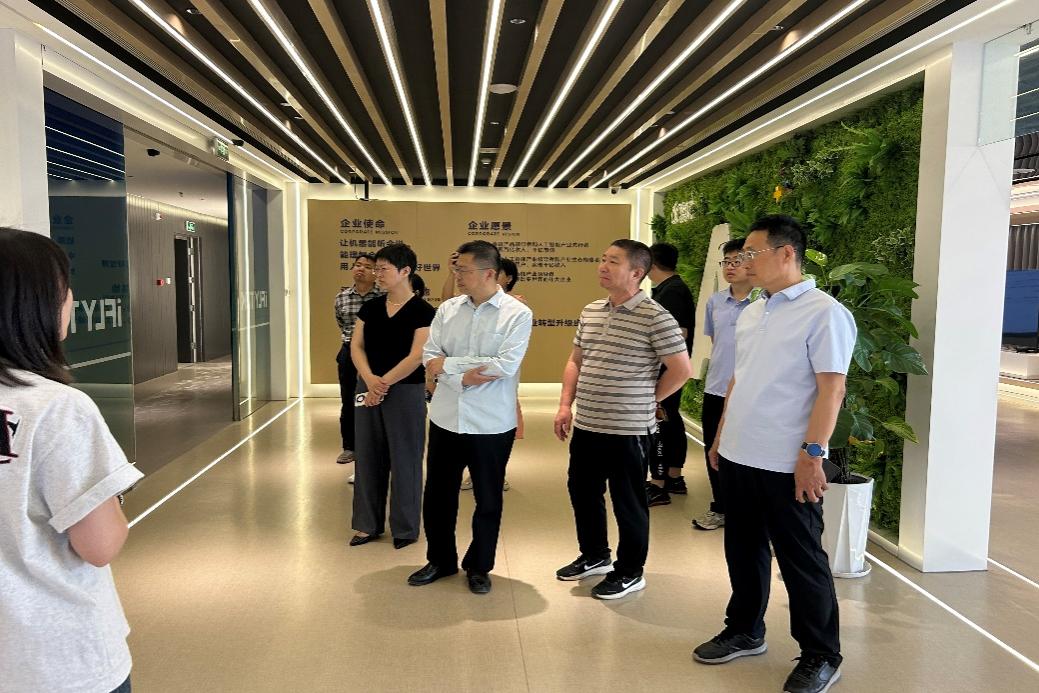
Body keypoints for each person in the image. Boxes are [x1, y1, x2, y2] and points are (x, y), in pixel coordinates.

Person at [694, 215, 855, 693]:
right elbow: (739, 379)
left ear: (787, 253)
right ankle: (745, 629)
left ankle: (821, 654)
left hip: (787, 461)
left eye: (752, 253)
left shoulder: (824, 313)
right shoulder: (753, 311)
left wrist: (812, 455)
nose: (744, 262)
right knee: (743, 549)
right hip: (740, 453)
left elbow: (833, 389)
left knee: (801, 559)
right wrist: (721, 436)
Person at [0, 227, 143, 693]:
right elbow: (99, 545)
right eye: (64, 289)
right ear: (32, 306)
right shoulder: (56, 407)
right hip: (57, 659)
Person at [554, 239, 691, 599]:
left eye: (613, 261)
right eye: (603, 259)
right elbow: (575, 360)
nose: (602, 266)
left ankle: (630, 571)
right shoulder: (591, 311)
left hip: (628, 430)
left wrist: (647, 399)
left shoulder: (656, 316)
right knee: (583, 492)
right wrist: (566, 405)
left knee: (628, 502)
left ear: (636, 272)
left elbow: (682, 369)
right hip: (588, 424)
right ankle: (595, 555)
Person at [409, 241, 533, 595]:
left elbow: (505, 365)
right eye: (456, 269)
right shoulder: (448, 309)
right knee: (438, 495)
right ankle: (440, 560)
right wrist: (460, 374)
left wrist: (449, 367)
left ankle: (479, 566)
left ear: (489, 273)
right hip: (446, 417)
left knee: (488, 499)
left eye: (463, 270)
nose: (457, 276)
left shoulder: (517, 314)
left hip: (492, 423)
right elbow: (430, 356)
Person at [349, 243, 435, 549]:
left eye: (383, 269)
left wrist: (382, 384)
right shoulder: (371, 307)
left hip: (406, 390)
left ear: (405, 271)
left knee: (406, 458)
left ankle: (405, 527)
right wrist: (370, 380)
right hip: (368, 387)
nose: (377, 274)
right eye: (377, 269)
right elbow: (356, 346)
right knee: (367, 455)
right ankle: (366, 525)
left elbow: (417, 355)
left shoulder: (423, 311)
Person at [692, 238, 753, 531]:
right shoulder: (715, 301)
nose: (730, 267)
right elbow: (717, 342)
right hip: (716, 387)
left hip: (749, 392)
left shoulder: (763, 303)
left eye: (736, 261)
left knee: (746, 452)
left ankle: (748, 512)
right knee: (713, 450)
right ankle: (720, 507)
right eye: (726, 261)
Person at [460, 256, 523, 492]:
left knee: (499, 431)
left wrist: (451, 366)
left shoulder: (516, 309)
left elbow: (506, 362)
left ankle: (497, 472)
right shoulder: (462, 305)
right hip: (466, 387)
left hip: (499, 385)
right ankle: (474, 472)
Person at [645, 242, 696, 507]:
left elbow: (679, 333)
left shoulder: (672, 292)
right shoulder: (670, 289)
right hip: (668, 369)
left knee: (663, 422)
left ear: (651, 264)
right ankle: (672, 478)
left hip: (667, 371)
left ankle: (659, 483)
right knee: (670, 420)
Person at [334, 254, 383, 470]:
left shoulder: (383, 296)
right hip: (348, 352)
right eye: (357, 265)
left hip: (377, 353)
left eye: (367, 266)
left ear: (376, 272)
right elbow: (341, 323)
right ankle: (350, 447)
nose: (360, 269)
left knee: (376, 397)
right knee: (348, 399)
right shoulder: (342, 297)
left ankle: (375, 446)